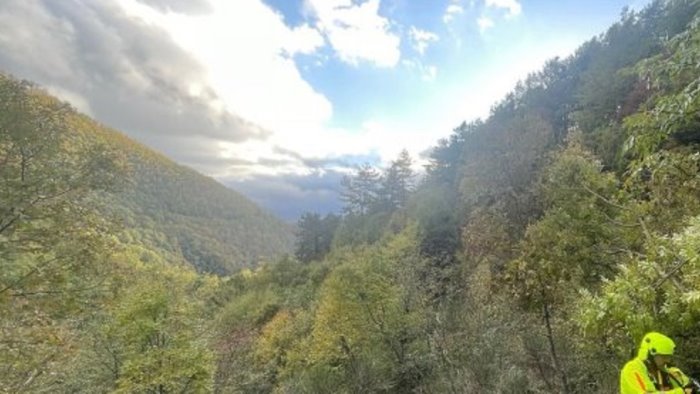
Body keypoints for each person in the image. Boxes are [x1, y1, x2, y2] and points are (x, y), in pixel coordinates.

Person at [620, 332, 694, 394]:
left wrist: (692, 388)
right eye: (663, 356)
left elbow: (688, 386)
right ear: (650, 354)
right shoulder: (632, 369)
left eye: (668, 357)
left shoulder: (668, 371)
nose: (667, 360)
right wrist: (681, 392)